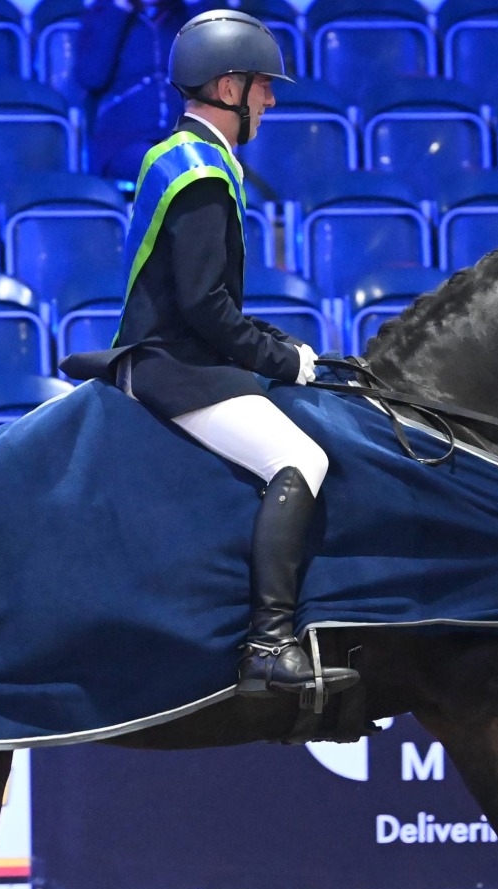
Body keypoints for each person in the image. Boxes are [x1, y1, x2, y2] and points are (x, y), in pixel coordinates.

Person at [74, 9, 356, 699]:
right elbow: (205, 307)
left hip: (181, 353)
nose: (271, 100)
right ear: (229, 87)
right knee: (302, 459)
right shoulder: (200, 172)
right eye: (264, 86)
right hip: (174, 364)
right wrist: (283, 359)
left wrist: (288, 349)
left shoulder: (185, 156)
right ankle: (268, 645)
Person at [74, 0, 202, 182]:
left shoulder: (185, 15)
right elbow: (91, 77)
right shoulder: (102, 14)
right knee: (171, 170)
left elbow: (221, 68)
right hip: (124, 140)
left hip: (184, 136)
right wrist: (119, 10)